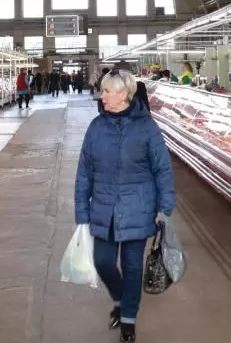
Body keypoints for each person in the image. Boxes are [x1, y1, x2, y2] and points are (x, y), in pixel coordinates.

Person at [75, 69, 175, 343]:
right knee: (103, 261)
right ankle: (120, 299)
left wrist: (164, 207)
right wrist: (82, 211)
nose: (101, 95)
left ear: (123, 94)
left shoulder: (146, 127)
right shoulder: (96, 127)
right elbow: (84, 171)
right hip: (105, 209)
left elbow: (162, 169)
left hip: (138, 207)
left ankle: (128, 320)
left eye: (107, 91)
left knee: (132, 266)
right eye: (102, 90)